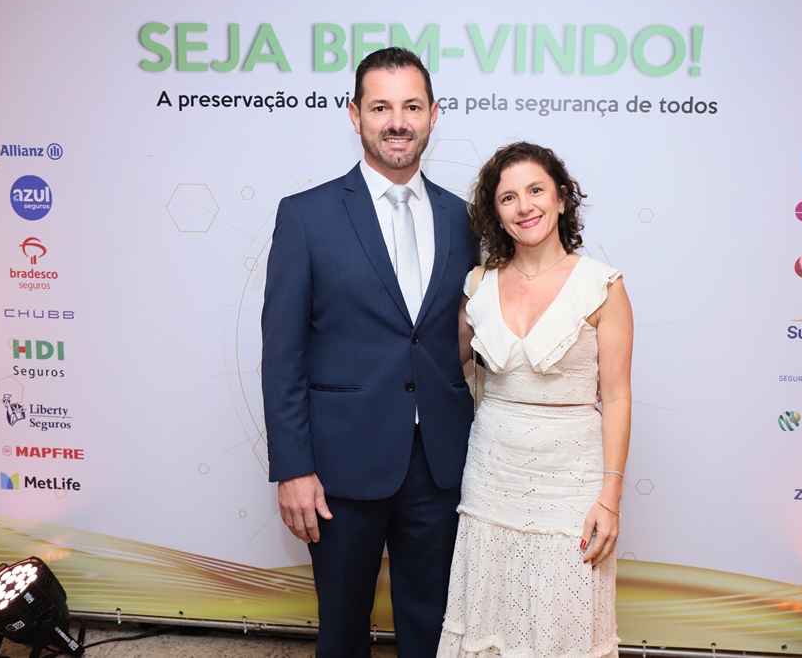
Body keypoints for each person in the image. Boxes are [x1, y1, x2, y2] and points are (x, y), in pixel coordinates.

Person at [261, 47, 479, 657]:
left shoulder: (465, 220)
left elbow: (476, 332)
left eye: (412, 106)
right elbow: (283, 354)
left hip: (440, 462)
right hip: (340, 466)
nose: (397, 122)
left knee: (434, 628)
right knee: (342, 632)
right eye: (381, 107)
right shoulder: (305, 217)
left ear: (434, 114)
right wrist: (293, 468)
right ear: (355, 114)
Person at [438, 142, 633, 657]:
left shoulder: (602, 286)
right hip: (491, 477)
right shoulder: (478, 284)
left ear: (562, 198)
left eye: (536, 190)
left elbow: (616, 396)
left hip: (572, 484)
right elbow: (441, 364)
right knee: (487, 621)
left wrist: (610, 498)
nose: (524, 206)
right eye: (508, 198)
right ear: (496, 213)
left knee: (562, 628)